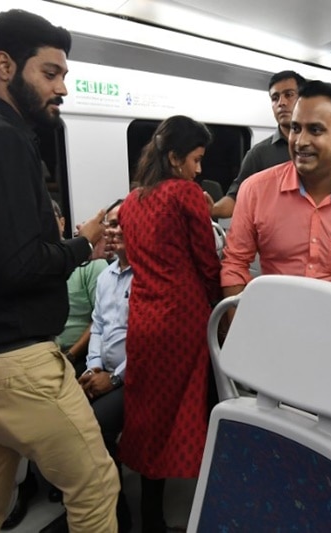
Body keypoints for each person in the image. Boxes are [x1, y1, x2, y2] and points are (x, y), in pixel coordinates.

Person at [0, 9, 119, 532]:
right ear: (5, 65)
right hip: (12, 366)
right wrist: (82, 243)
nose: (62, 88)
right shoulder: (0, 139)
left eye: (64, 76)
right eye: (50, 73)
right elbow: (14, 268)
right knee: (97, 484)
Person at [118, 115, 221, 532]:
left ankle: (152, 517)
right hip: (184, 322)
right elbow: (207, 264)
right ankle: (214, 503)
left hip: (143, 320)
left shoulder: (130, 202)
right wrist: (224, 308)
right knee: (207, 408)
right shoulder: (187, 195)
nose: (200, 169)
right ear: (176, 157)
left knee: (149, 420)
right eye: (196, 159)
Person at [221, 80, 331, 297]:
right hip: (277, 318)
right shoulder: (255, 191)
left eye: (315, 130)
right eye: (295, 129)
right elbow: (235, 263)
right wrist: (239, 324)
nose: (300, 141)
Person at [79, 199, 133, 532]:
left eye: (119, 224)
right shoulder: (107, 275)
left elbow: (147, 341)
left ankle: (119, 517)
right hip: (104, 371)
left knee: (95, 427)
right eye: (109, 224)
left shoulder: (149, 277)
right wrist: (93, 366)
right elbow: (97, 325)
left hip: (135, 376)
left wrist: (113, 379)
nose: (111, 231)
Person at [207, 70, 305, 219]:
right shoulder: (259, 154)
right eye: (275, 98)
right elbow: (236, 198)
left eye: (289, 95)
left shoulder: (324, 147)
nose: (281, 103)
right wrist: (211, 210)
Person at [53, 199, 108, 375]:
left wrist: (70, 355)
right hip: (43, 357)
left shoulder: (89, 262)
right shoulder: (34, 267)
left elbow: (101, 319)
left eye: (48, 218)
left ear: (62, 223)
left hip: (79, 355)